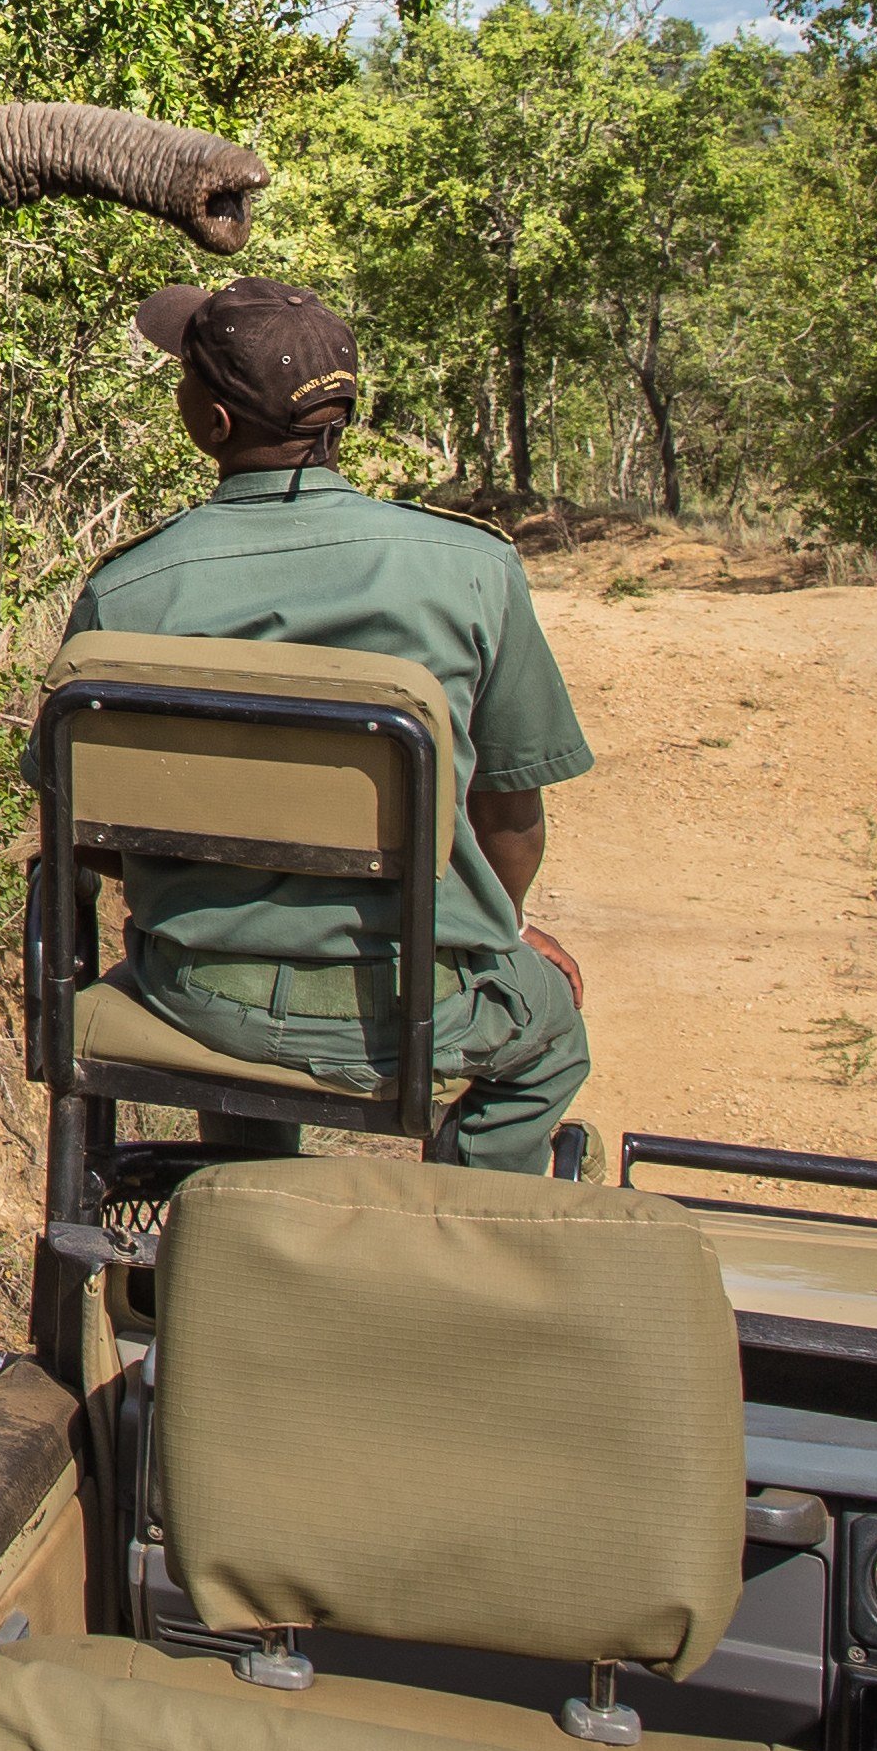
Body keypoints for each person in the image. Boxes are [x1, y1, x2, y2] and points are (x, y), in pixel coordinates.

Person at [75, 275, 597, 1172]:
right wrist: (496, 935)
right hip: (424, 1003)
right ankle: (465, 1228)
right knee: (552, 1038)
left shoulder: (127, 591)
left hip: (202, 997)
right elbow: (511, 815)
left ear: (213, 423)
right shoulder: (471, 568)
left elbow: (93, 838)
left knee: (236, 1054)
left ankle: (253, 1208)